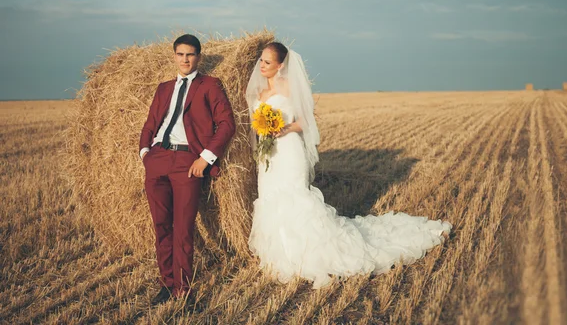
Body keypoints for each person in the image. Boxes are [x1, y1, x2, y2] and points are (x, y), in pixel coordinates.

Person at [245, 42, 451, 289]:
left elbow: (306, 121)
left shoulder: (291, 87)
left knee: (295, 199)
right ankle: (281, 255)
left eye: (268, 62)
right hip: (269, 157)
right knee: (271, 198)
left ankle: (308, 255)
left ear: (281, 66)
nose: (262, 65)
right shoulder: (257, 91)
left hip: (289, 151)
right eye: (261, 61)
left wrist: (284, 128)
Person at [139, 34, 235, 305]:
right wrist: (145, 152)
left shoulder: (210, 85)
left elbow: (227, 123)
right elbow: (149, 124)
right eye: (180, 54)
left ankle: (183, 290)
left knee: (182, 229)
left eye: (190, 54)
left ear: (198, 57)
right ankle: (167, 284)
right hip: (157, 159)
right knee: (161, 227)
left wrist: (205, 158)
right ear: (174, 56)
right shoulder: (163, 88)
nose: (185, 59)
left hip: (187, 162)